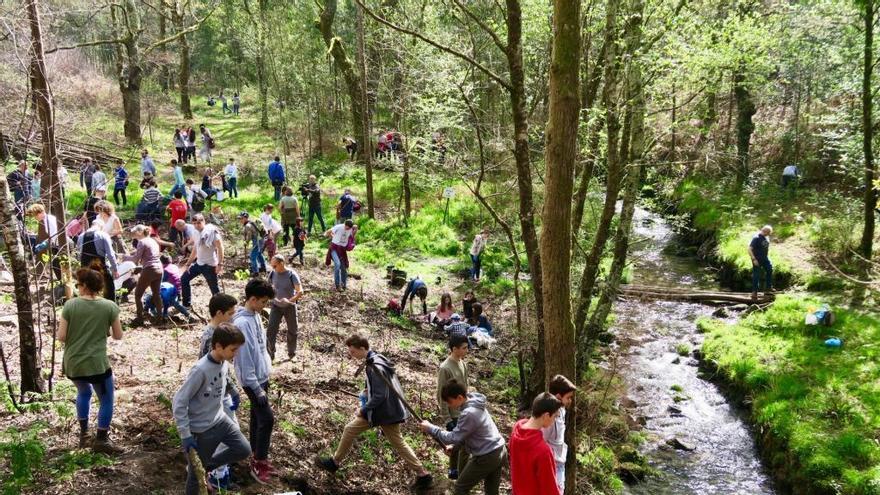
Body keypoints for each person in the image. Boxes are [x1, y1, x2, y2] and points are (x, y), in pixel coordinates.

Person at [316, 334, 433, 490]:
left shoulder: (374, 365)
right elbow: (378, 389)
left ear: (363, 348)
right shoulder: (377, 359)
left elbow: (380, 395)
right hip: (389, 410)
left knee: (351, 430)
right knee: (397, 442)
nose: (352, 355)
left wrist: (364, 409)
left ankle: (334, 462)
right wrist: (366, 391)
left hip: (384, 412)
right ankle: (422, 474)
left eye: (353, 352)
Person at [173, 323, 251, 495]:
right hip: (202, 429)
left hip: (220, 419)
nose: (235, 353)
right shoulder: (200, 370)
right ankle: (198, 470)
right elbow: (179, 401)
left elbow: (223, 380)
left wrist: (232, 391)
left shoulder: (223, 361)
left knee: (243, 449)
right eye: (233, 349)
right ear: (218, 346)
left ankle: (205, 466)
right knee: (195, 478)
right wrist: (185, 434)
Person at [58, 268, 123, 453]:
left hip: (73, 362)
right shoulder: (109, 307)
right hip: (96, 364)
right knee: (107, 399)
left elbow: (61, 336)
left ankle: (84, 435)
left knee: (84, 392)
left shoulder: (70, 306)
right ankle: (101, 440)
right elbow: (118, 335)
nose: (78, 287)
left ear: (85, 286)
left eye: (78, 284)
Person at [419, 380, 506, 495]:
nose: (449, 405)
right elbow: (467, 434)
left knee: (460, 488)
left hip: (487, 456)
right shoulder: (475, 403)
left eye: (450, 402)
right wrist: (455, 448)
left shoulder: (469, 413)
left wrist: (430, 428)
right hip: (499, 450)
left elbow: (453, 437)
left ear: (459, 397)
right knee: (491, 491)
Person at [233, 279, 277, 484]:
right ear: (252, 299)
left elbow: (260, 348)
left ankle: (255, 456)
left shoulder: (256, 316)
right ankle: (259, 462)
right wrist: (255, 387)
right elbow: (244, 358)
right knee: (267, 419)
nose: (265, 305)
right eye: (263, 301)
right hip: (252, 380)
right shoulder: (241, 323)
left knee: (257, 418)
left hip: (261, 376)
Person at [509, 393, 563, 495]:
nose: (554, 420)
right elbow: (549, 489)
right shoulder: (543, 451)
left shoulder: (517, 429)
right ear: (546, 415)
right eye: (555, 416)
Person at [436, 334, 470, 480]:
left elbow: (465, 387)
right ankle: (454, 472)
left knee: (464, 446)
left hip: (464, 411)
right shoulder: (445, 368)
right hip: (453, 413)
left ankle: (459, 473)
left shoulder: (463, 363)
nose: (466, 350)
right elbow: (441, 394)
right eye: (464, 348)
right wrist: (446, 417)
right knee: (457, 445)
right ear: (454, 349)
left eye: (467, 347)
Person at [181, 214, 224, 308]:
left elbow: (220, 248)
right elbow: (195, 249)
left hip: (210, 265)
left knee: (214, 289)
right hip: (199, 263)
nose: (197, 225)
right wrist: (188, 264)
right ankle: (186, 305)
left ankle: (220, 308)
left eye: (199, 223)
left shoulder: (211, 232)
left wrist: (220, 264)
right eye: (195, 223)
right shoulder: (195, 232)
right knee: (184, 279)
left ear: (203, 222)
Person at [124, 225, 165, 327]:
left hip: (149, 269)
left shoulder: (141, 242)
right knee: (156, 294)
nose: (133, 234)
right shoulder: (152, 241)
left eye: (134, 232)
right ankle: (160, 318)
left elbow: (136, 259)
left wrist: (124, 257)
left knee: (138, 295)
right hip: (159, 268)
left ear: (140, 232)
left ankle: (139, 319)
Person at [543, 375, 577, 494]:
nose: (570, 401)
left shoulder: (562, 410)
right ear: (558, 397)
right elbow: (542, 441)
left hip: (560, 462)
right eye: (568, 397)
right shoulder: (548, 420)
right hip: (552, 465)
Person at [266, 255, 303, 361]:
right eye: (272, 266)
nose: (273, 268)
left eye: (275, 266)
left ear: (282, 263)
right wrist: (273, 299)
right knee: (271, 330)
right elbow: (268, 288)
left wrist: (290, 300)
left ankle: (292, 353)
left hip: (289, 307)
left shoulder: (292, 274)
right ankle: (270, 353)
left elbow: (300, 291)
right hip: (276, 306)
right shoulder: (272, 274)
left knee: (292, 330)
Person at [77, 219, 119, 302]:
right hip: (99, 264)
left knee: (87, 286)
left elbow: (79, 253)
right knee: (109, 284)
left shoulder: (81, 236)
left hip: (85, 265)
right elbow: (110, 254)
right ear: (101, 227)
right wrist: (115, 269)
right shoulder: (103, 235)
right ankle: (110, 304)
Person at [26, 203, 62, 281]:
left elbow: (56, 234)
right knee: (56, 264)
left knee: (58, 264)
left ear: (40, 213)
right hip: (56, 244)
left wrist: (45, 243)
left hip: (62, 244)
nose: (35, 218)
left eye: (35, 215)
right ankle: (62, 282)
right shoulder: (45, 220)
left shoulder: (49, 220)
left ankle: (64, 284)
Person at [324, 219, 356, 291]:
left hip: (342, 250)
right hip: (334, 248)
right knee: (337, 264)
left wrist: (355, 228)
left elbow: (355, 229)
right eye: (346, 227)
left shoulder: (351, 229)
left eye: (348, 228)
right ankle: (337, 285)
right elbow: (329, 231)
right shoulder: (339, 227)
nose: (346, 228)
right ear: (344, 224)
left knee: (344, 269)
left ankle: (344, 285)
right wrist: (329, 235)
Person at [748, 225, 773, 301]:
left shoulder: (766, 238)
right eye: (768, 232)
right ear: (764, 231)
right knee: (757, 275)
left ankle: (768, 288)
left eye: (769, 233)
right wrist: (754, 259)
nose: (768, 234)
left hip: (765, 259)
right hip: (757, 259)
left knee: (769, 269)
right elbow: (749, 249)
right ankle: (754, 292)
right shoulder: (756, 238)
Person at [239, 212, 267, 276]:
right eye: (240, 218)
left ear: (245, 218)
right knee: (259, 254)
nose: (240, 220)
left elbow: (249, 236)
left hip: (257, 240)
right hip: (261, 239)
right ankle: (263, 268)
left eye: (241, 218)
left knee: (252, 256)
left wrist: (246, 242)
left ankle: (255, 272)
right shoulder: (251, 222)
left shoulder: (248, 226)